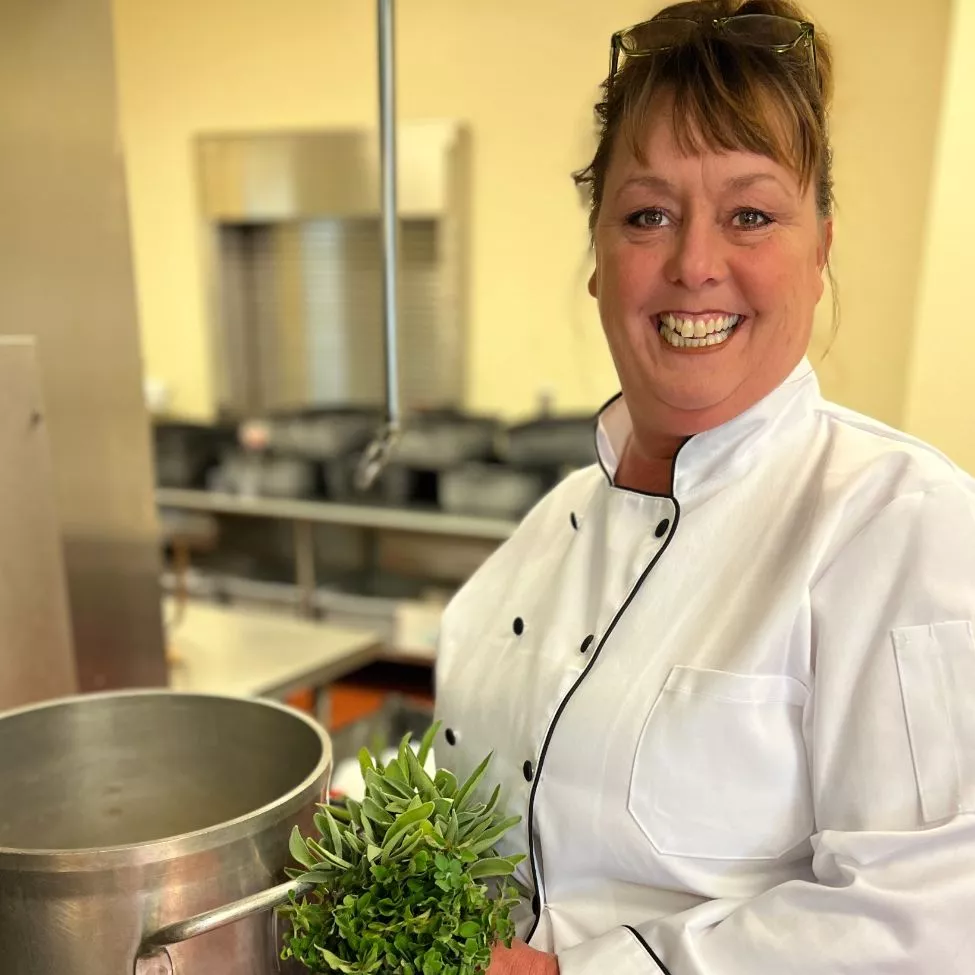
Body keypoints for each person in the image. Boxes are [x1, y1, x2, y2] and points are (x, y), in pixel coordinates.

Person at [434, 0, 975, 972]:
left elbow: (932, 925)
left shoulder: (903, 528)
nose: (693, 265)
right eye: (648, 215)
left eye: (751, 215)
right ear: (598, 259)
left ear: (820, 251)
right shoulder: (545, 534)